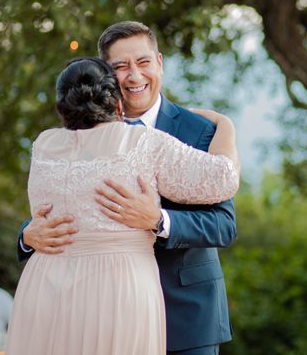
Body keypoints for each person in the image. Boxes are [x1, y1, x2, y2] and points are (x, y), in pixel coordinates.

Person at [18, 21, 238, 354]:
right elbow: (60, 207)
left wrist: (159, 220)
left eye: (144, 62)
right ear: (106, 74)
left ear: (160, 63)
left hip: (188, 317)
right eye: (121, 66)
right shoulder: (72, 136)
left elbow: (225, 225)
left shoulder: (200, 130)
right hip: (93, 314)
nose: (134, 76)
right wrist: (26, 236)